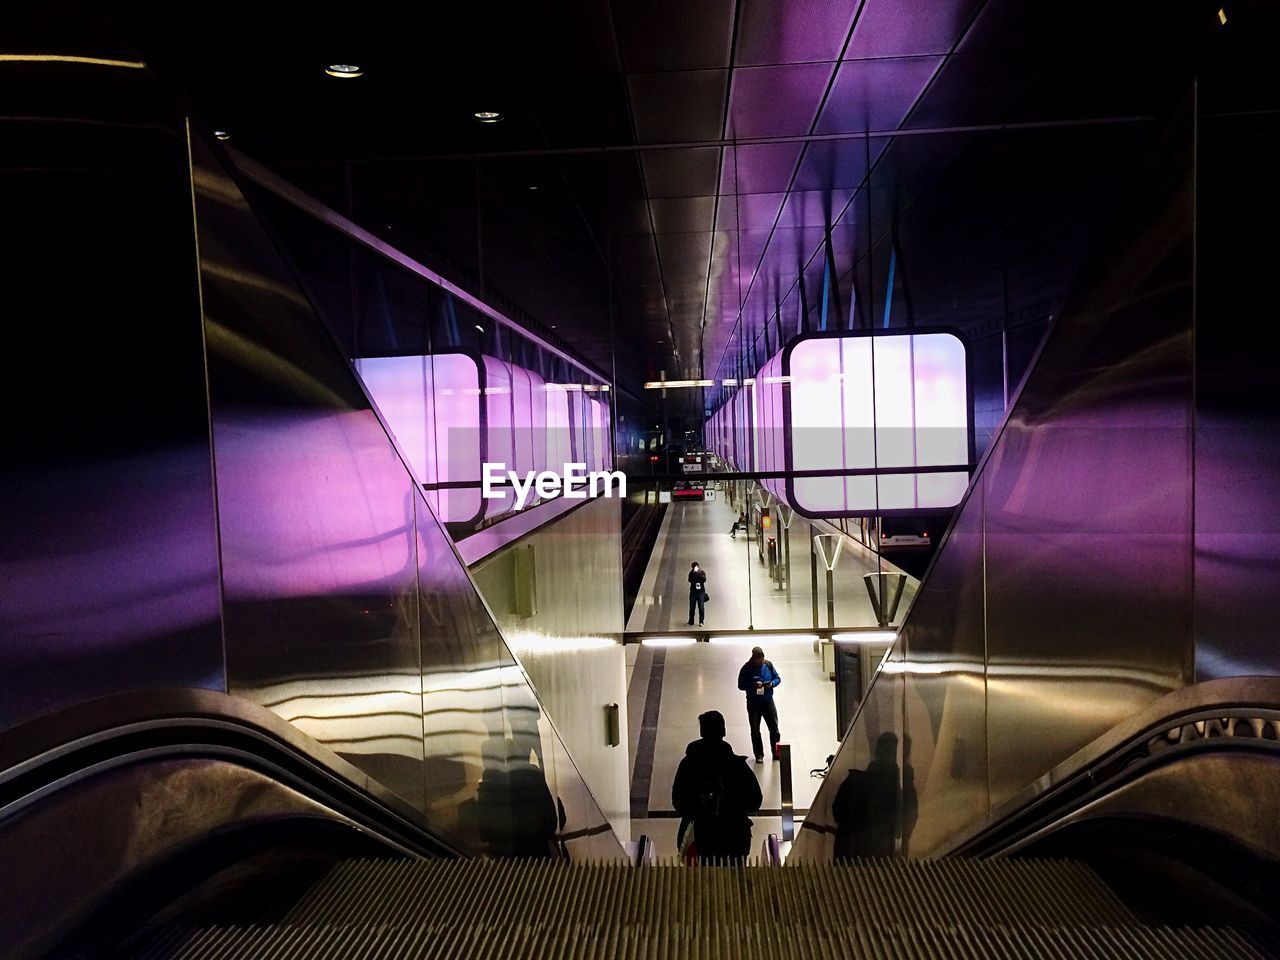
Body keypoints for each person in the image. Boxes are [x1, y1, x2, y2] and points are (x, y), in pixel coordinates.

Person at [671, 710, 762, 863]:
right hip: (734, 838)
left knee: (701, 881)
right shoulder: (737, 766)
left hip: (700, 838)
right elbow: (755, 801)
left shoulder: (688, 764)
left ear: (701, 732)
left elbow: (678, 801)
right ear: (723, 731)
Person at [736, 646, 782, 763]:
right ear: (754, 658)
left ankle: (776, 753)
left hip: (768, 703)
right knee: (755, 731)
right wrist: (753, 685)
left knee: (774, 730)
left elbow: (777, 678)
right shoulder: (746, 669)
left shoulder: (768, 665)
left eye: (762, 659)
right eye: (759, 660)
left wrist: (771, 684)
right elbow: (741, 685)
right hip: (753, 705)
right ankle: (759, 754)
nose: (761, 662)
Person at [686, 561, 707, 626]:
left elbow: (704, 579)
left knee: (701, 607)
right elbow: (689, 580)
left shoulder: (702, 572)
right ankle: (691, 621)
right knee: (692, 607)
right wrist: (694, 574)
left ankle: (701, 621)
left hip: (701, 592)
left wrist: (699, 574)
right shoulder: (691, 573)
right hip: (693, 592)